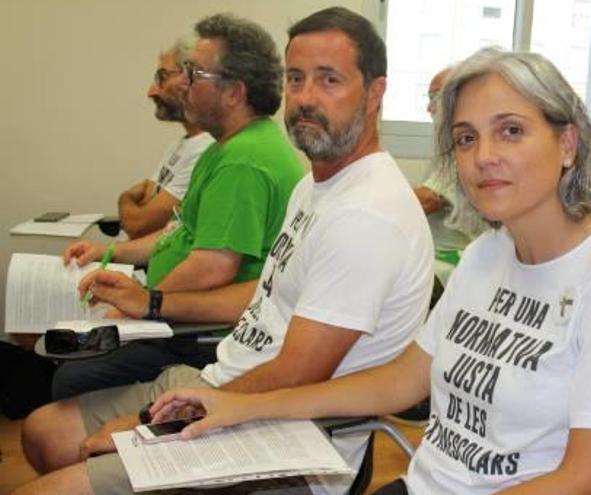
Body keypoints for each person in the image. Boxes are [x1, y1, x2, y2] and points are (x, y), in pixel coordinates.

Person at [148, 47, 591, 495]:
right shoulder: (487, 256)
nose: (483, 156)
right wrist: (242, 404)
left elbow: (588, 479)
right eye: (467, 138)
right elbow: (401, 380)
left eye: (511, 131)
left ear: (567, 144)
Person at [14, 7, 432, 495]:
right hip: (220, 383)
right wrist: (151, 304)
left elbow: (298, 373)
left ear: (375, 93)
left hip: (280, 433)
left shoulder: (366, 214)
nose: (305, 98)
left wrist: (150, 424)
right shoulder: (317, 185)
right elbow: (266, 291)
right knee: (42, 434)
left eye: (329, 80)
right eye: (296, 79)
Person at [51, 14, 306, 399]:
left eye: (194, 74)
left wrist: (141, 306)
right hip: (175, 314)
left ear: (234, 92)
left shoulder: (243, 161)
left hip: (203, 333)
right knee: (71, 355)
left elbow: (212, 266)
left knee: (72, 377)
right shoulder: (226, 147)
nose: (182, 85)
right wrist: (109, 251)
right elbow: (178, 233)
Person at [117, 41, 214, 240]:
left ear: (191, 78)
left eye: (162, 77)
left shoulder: (206, 150)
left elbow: (138, 225)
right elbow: (146, 202)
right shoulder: (179, 145)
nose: (151, 92)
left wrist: (124, 199)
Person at [412, 66, 478, 283]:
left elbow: (428, 200)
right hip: (439, 254)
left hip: (455, 260)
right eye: (428, 98)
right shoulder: (447, 144)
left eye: (435, 98)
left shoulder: (464, 147)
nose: (429, 107)